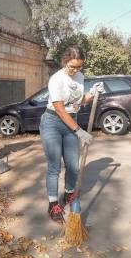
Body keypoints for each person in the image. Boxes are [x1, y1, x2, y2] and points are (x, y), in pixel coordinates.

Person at [39, 46, 104, 223]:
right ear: (65, 62)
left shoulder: (80, 77)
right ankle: (53, 204)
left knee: (73, 166)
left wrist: (91, 93)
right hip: (52, 122)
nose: (75, 70)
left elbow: (77, 101)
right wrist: (79, 130)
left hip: (71, 122)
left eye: (79, 67)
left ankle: (68, 194)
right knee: (54, 167)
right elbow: (60, 109)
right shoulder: (56, 79)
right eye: (72, 66)